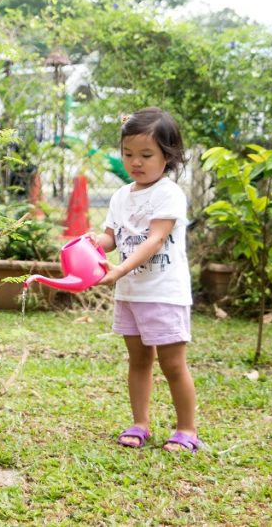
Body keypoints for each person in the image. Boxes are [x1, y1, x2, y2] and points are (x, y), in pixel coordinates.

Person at [89, 107, 200, 453]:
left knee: (172, 364)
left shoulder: (169, 194)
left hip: (164, 294)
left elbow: (154, 240)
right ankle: (140, 423)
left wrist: (120, 270)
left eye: (146, 155)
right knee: (138, 361)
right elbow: (113, 239)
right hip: (132, 294)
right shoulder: (122, 196)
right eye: (128, 154)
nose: (135, 162)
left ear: (168, 156)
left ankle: (187, 430)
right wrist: (91, 244)